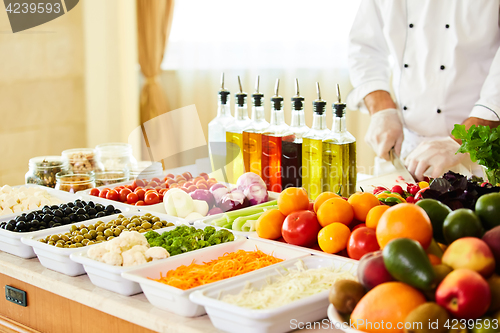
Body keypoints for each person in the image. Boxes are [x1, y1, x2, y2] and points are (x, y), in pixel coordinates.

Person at [346, 0, 500, 181]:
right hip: (409, 151)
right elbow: (364, 45)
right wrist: (381, 109)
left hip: (481, 154)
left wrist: (462, 141)